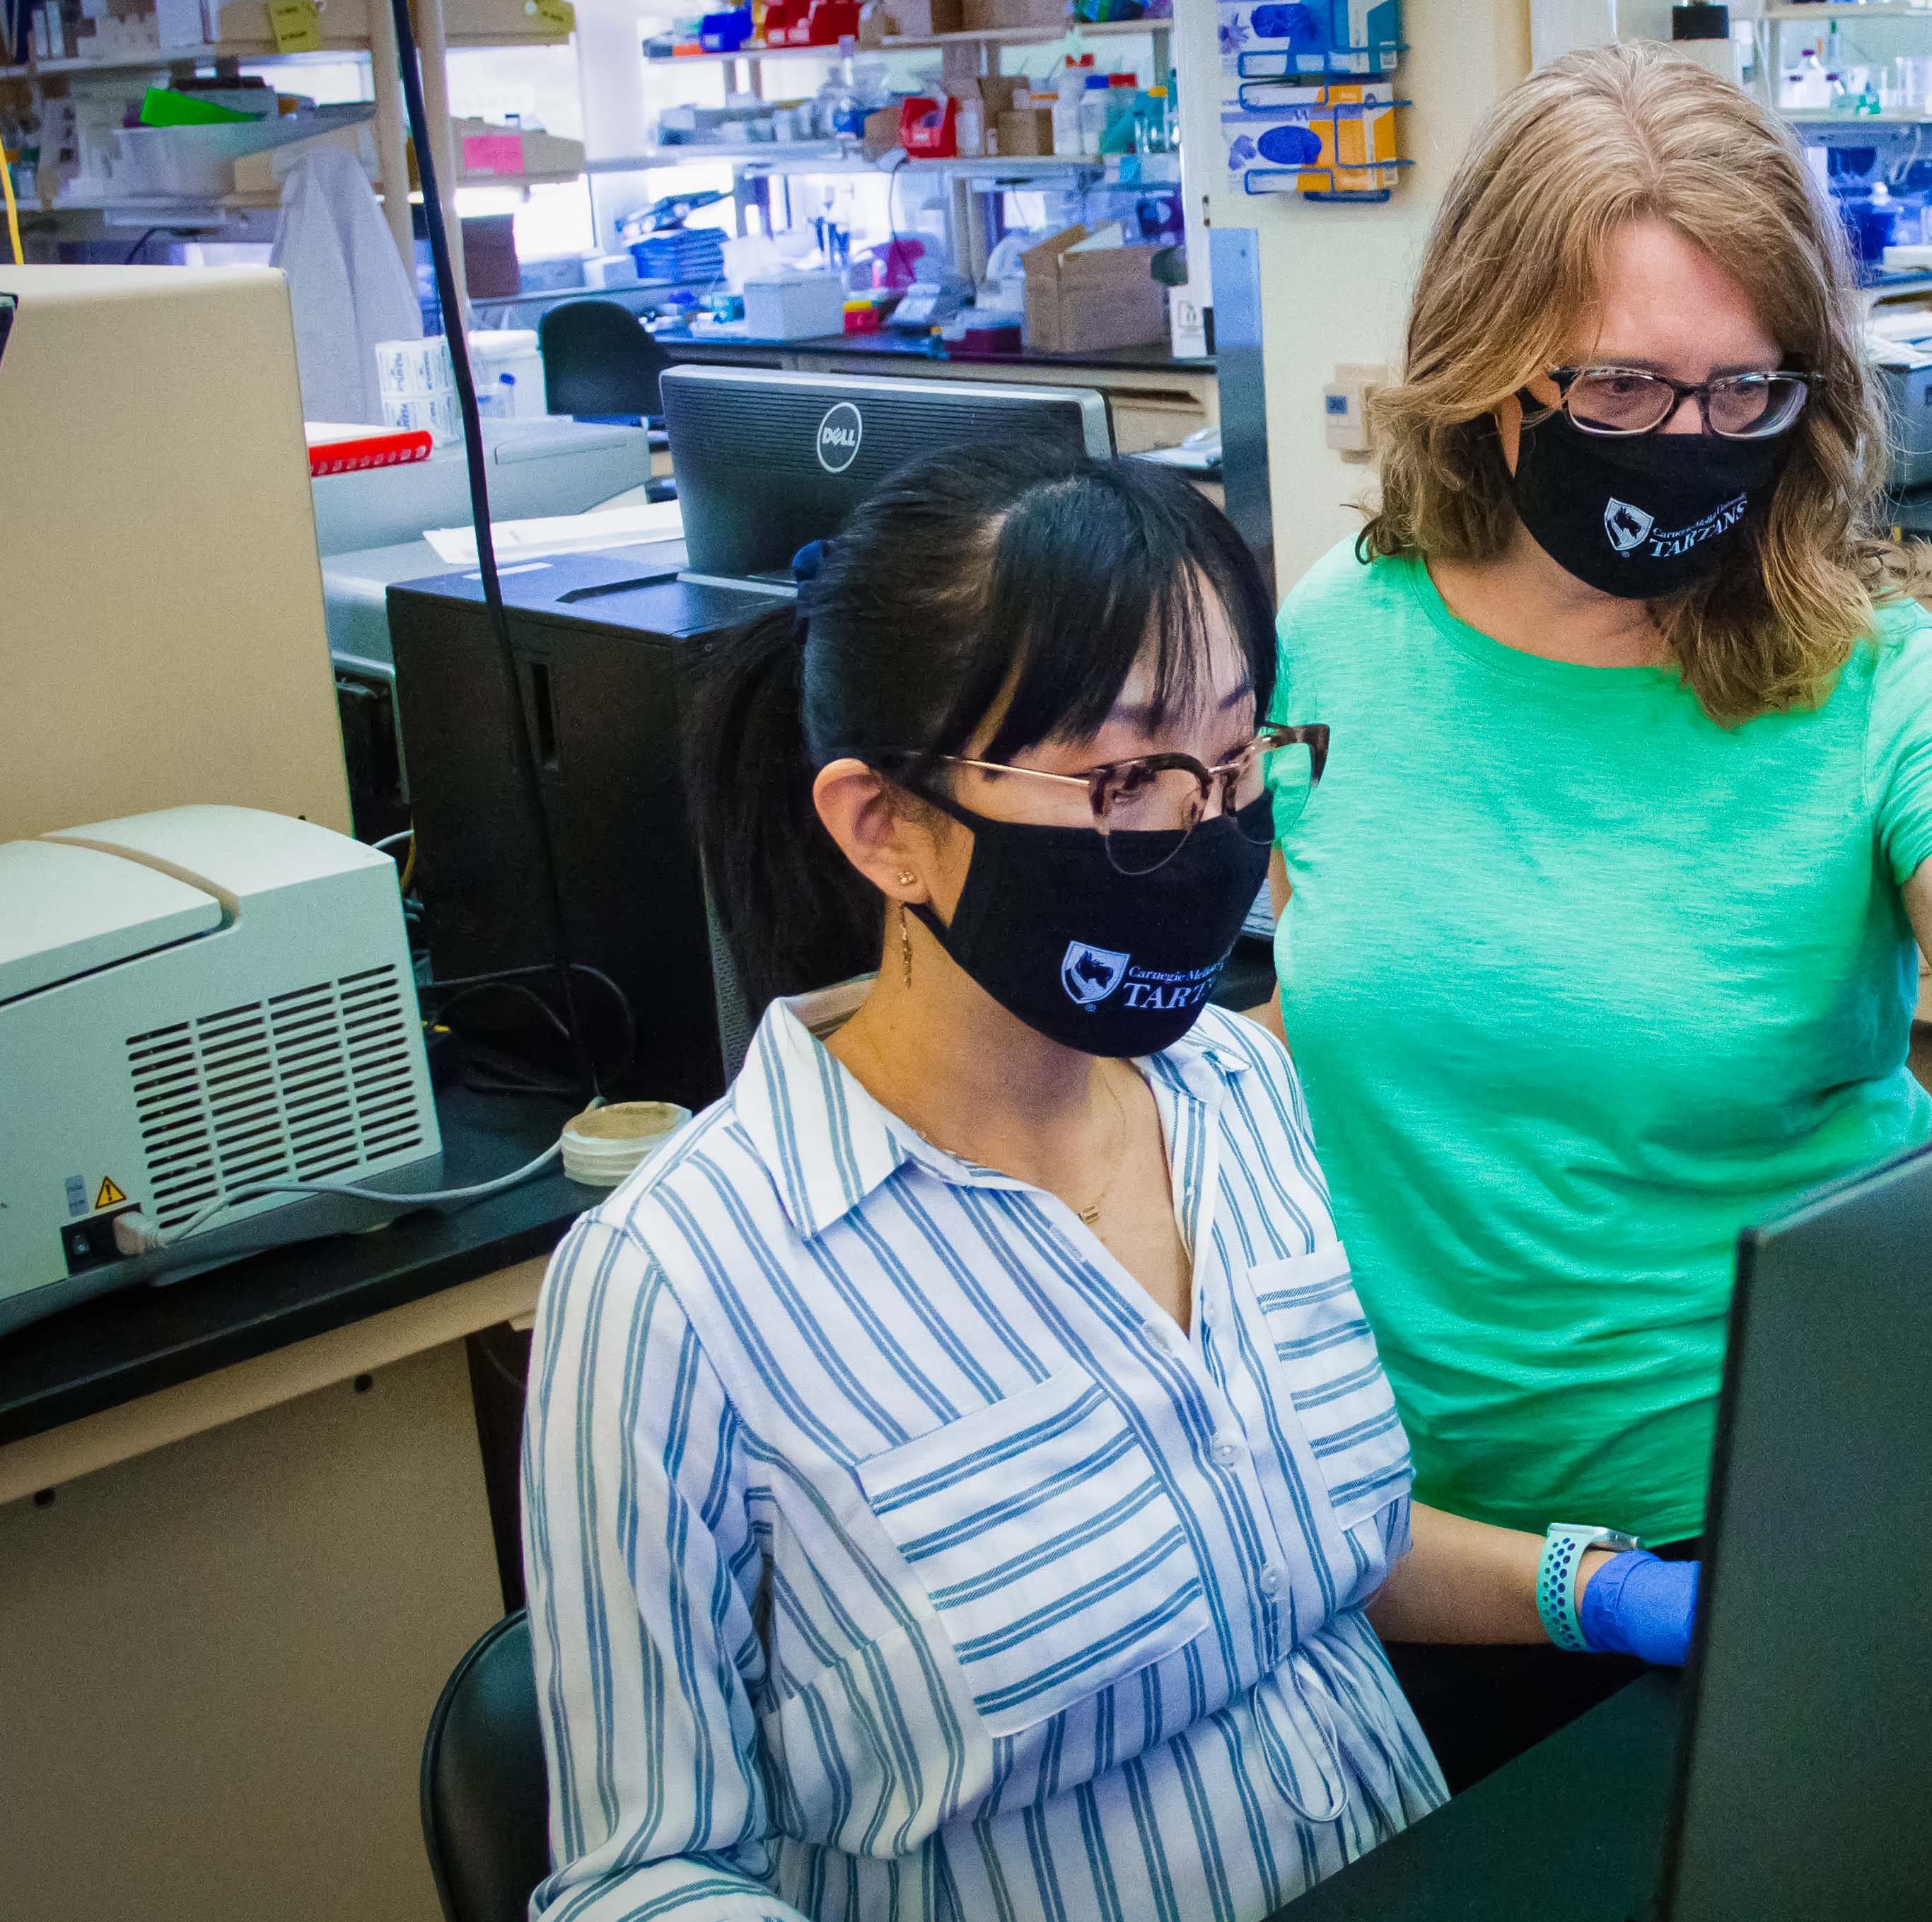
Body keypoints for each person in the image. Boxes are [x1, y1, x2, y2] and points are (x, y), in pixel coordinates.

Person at [521, 441, 1697, 1921]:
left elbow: (1310, 1541)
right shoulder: (680, 1287)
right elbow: (641, 1875)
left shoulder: (1237, 1092)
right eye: (1131, 776)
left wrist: (1596, 1589)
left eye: (1237, 757)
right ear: (885, 825)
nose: (1210, 831)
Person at [1264, 45, 1932, 1778]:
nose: (1683, 446)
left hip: (1755, 1538)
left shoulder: (1875, 687)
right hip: (1396, 1548)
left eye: (1740, 393)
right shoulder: (1337, 629)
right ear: (1487, 368)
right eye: (1617, 388)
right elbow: (1328, 987)